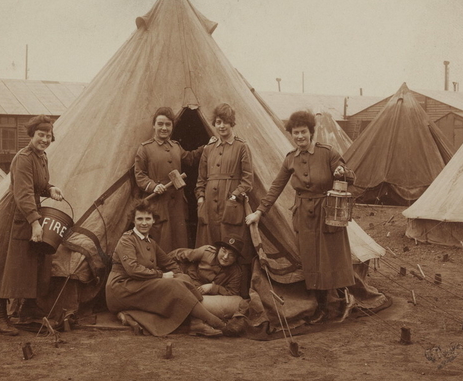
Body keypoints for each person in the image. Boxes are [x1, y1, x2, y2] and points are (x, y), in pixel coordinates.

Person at [246, 110, 355, 324]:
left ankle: (345, 300)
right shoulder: (290, 159)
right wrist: (259, 211)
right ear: (291, 134)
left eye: (303, 132)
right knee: (311, 261)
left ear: (311, 132)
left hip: (327, 214)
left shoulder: (327, 153)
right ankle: (322, 308)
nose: (299, 137)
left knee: (332, 257)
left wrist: (343, 172)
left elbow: (349, 176)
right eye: (295, 133)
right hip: (304, 216)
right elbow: (276, 186)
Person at [0, 115, 64, 336]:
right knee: (4, 266)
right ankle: (1, 317)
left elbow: (36, 186)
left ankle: (27, 309)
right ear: (32, 136)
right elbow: (22, 193)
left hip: (26, 211)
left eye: (48, 135)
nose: (44, 139)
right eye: (40, 135)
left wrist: (50, 188)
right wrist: (35, 223)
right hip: (12, 215)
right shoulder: (23, 158)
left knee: (27, 263)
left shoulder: (42, 157)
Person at [105, 199, 227, 337]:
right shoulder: (127, 240)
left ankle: (196, 323)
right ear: (133, 221)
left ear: (153, 221)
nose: (144, 223)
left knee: (183, 279)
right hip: (122, 288)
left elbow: (169, 263)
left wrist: (180, 276)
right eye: (139, 219)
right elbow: (132, 269)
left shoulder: (150, 242)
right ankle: (216, 322)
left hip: (139, 284)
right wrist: (161, 275)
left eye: (147, 218)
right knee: (172, 286)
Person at [134, 107, 203, 252]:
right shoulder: (145, 149)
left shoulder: (176, 147)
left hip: (177, 205)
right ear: (154, 125)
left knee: (180, 242)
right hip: (159, 206)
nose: (164, 128)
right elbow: (140, 175)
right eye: (160, 124)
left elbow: (190, 158)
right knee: (161, 243)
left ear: (172, 126)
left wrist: (207, 147)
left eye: (168, 124)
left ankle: (180, 273)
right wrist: (153, 186)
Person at [195, 103, 253, 248]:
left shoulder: (241, 147)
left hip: (230, 203)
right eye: (218, 122)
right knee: (209, 243)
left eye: (225, 122)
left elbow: (248, 180)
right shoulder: (208, 149)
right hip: (209, 204)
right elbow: (201, 179)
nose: (221, 126)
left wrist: (234, 197)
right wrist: (201, 199)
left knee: (230, 242)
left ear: (232, 123)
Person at [171, 233, 244, 297]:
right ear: (219, 249)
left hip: (205, 297)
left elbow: (233, 292)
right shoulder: (206, 252)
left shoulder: (236, 272)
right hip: (186, 280)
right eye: (224, 251)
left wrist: (213, 288)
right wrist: (175, 271)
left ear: (236, 258)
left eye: (231, 255)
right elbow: (178, 255)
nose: (225, 257)